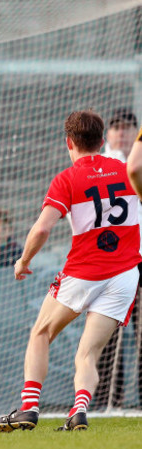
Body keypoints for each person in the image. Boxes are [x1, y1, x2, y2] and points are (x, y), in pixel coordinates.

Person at [0, 110, 140, 433]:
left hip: (84, 271)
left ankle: (29, 408)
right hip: (125, 274)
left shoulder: (68, 178)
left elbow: (43, 229)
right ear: (102, 142)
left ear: (68, 143)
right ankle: (79, 411)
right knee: (88, 352)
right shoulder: (128, 171)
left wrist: (23, 261)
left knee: (41, 333)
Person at [94, 107, 140, 409]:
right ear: (107, 134)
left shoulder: (137, 161)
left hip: (141, 253)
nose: (121, 132)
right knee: (105, 330)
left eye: (127, 127)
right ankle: (105, 397)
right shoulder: (99, 165)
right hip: (108, 256)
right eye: (116, 127)